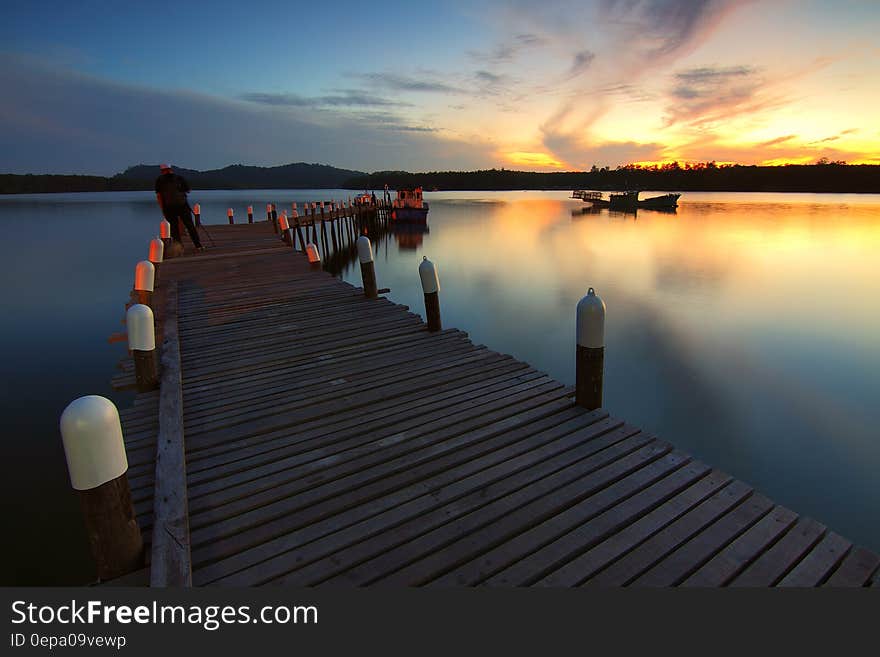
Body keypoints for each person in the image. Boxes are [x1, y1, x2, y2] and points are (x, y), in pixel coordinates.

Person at [154, 164, 203, 250]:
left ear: (162, 171)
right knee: (190, 225)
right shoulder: (179, 178)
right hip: (183, 205)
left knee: (174, 228)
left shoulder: (160, 180)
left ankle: (179, 248)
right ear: (171, 169)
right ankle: (198, 245)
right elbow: (188, 190)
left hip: (169, 207)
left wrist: (163, 209)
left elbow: (159, 196)